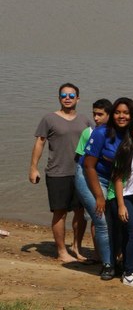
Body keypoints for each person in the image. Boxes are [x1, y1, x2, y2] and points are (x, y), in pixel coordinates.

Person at [29, 83, 90, 264]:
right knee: (60, 213)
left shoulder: (86, 120)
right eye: (64, 95)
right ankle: (61, 251)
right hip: (57, 172)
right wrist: (33, 167)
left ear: (78, 98)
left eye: (72, 95)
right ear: (59, 98)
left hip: (81, 173)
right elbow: (40, 143)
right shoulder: (49, 119)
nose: (67, 98)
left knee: (80, 212)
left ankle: (76, 248)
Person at [80, 97, 133, 280]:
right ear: (112, 114)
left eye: (126, 113)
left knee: (119, 223)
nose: (121, 116)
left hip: (114, 180)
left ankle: (117, 259)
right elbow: (88, 166)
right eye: (118, 112)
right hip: (90, 176)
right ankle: (108, 264)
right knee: (102, 221)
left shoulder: (132, 132)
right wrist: (99, 196)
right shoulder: (101, 133)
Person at [109, 115, 133, 288]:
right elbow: (117, 179)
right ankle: (130, 273)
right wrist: (121, 205)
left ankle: (124, 266)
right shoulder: (125, 149)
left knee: (127, 234)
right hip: (123, 197)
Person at [72, 98, 112, 262]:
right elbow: (80, 158)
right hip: (90, 178)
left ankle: (107, 253)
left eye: (100, 114)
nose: (96, 118)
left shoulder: (114, 133)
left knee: (107, 218)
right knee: (97, 218)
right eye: (94, 114)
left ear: (109, 115)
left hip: (108, 180)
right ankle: (98, 253)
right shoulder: (88, 132)